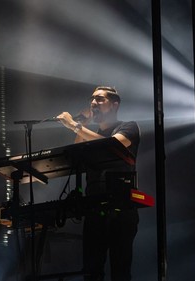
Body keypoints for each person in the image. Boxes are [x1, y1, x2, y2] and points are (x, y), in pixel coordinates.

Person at [57, 86, 140, 281]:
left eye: (100, 99)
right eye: (92, 99)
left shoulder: (128, 127)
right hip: (94, 209)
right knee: (91, 273)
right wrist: (82, 124)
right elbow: (75, 154)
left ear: (115, 104)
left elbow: (112, 146)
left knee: (120, 273)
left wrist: (75, 126)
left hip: (122, 210)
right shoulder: (88, 133)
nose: (93, 103)